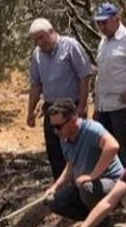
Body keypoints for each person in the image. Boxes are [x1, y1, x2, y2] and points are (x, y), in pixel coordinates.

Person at [27, 18, 93, 179]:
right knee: (55, 152)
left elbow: (84, 76)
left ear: (52, 31)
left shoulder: (70, 46)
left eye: (41, 37)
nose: (39, 43)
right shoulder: (37, 55)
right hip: (51, 109)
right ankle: (60, 190)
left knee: (77, 149)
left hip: (72, 108)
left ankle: (81, 188)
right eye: (35, 40)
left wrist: (82, 107)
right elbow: (36, 85)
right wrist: (30, 111)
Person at [44, 98, 124, 222]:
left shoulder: (92, 129)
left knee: (86, 188)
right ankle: (91, 221)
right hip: (84, 187)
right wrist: (54, 188)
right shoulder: (64, 138)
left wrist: (92, 176)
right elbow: (70, 167)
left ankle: (102, 222)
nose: (55, 131)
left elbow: (113, 146)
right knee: (53, 201)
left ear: (73, 120)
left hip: (112, 184)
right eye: (53, 127)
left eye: (58, 127)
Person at [93, 3, 126, 165]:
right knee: (107, 151)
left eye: (104, 22)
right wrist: (97, 106)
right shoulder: (103, 42)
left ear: (116, 19)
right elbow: (101, 75)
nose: (101, 27)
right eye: (98, 23)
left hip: (122, 107)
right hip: (104, 107)